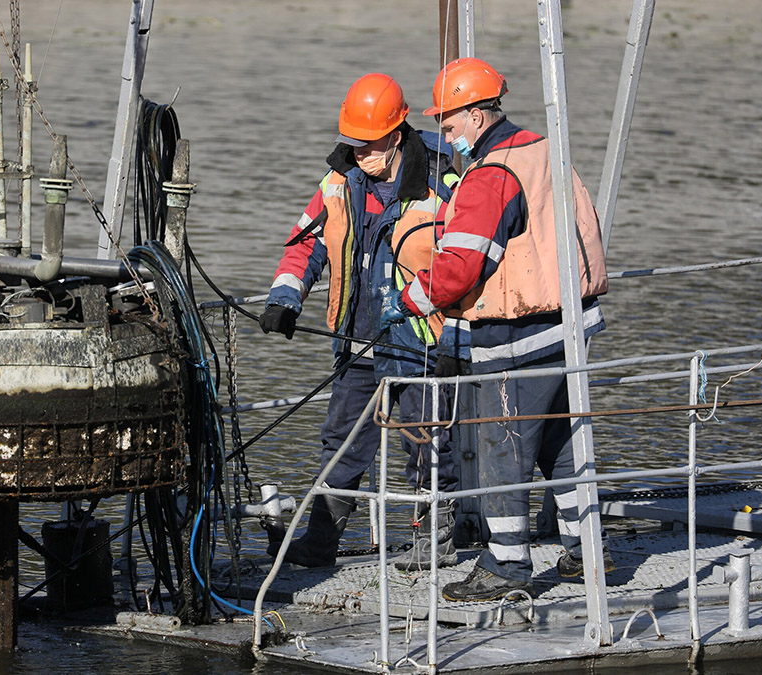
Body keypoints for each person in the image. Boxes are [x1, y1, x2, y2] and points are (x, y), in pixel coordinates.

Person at [379, 57, 613, 601]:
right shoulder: (545, 150)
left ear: (477, 114)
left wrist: (411, 298)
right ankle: (584, 550)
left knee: (502, 444)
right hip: (567, 325)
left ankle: (507, 565)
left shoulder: (491, 176)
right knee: (560, 442)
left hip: (515, 336)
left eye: (448, 121)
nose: (444, 132)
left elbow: (460, 266)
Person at [259, 72, 462, 570]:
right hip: (358, 340)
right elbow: (304, 243)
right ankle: (321, 541)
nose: (360, 156)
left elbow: (464, 260)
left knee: (427, 441)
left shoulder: (443, 188)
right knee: (342, 440)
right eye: (353, 146)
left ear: (396, 137)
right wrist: (286, 297)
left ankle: (434, 540)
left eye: (369, 146)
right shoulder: (337, 183)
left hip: (421, 343)